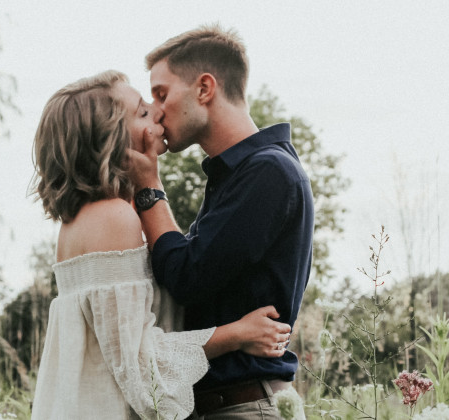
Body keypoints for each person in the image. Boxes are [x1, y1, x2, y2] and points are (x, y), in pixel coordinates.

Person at [29, 70, 293, 420]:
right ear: (111, 141)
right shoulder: (112, 219)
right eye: (141, 112)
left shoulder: (90, 217)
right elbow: (141, 363)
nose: (157, 112)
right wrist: (237, 334)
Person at [126, 25, 314, 419]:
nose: (156, 110)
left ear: (205, 88)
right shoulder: (240, 174)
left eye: (161, 93)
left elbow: (187, 277)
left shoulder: (267, 173)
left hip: (244, 405)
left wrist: (148, 187)